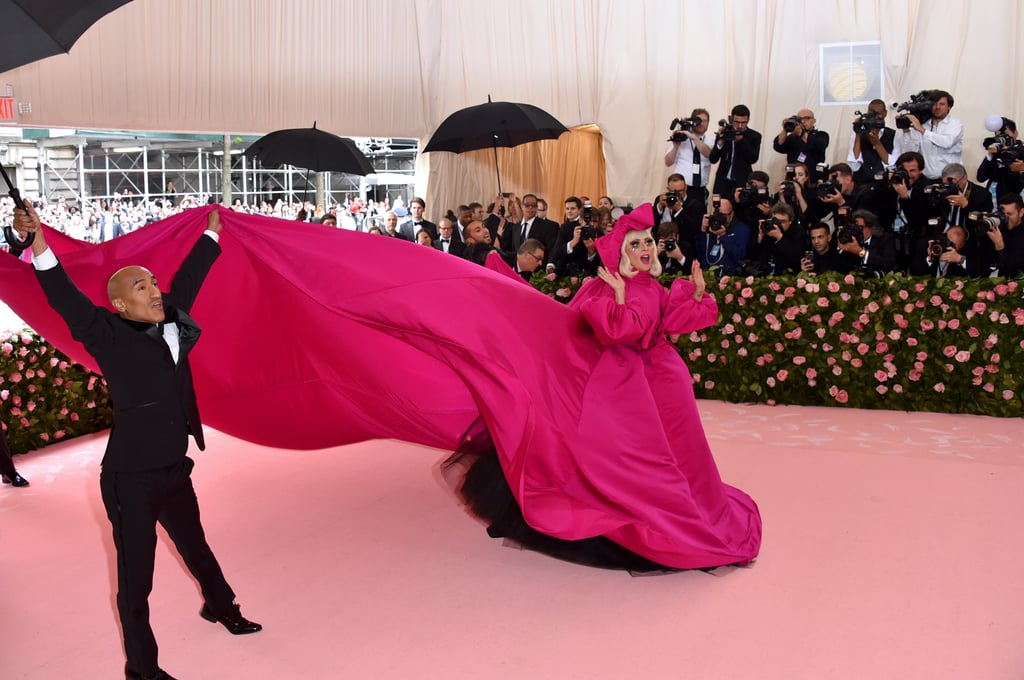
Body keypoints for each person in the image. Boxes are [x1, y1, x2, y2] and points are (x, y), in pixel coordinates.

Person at [12, 204, 260, 680]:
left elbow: (189, 279)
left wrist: (211, 234)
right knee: (136, 581)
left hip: (173, 468)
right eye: (141, 286)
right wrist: (38, 241)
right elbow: (63, 294)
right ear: (121, 305)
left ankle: (221, 607)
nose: (154, 289)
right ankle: (142, 671)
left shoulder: (170, 320)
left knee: (197, 546)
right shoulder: (104, 334)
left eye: (152, 280)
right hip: (130, 480)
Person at [450, 203, 761, 570]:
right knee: (633, 460)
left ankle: (690, 509)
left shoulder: (654, 288)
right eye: (636, 244)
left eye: (648, 242)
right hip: (628, 390)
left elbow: (671, 326)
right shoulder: (605, 288)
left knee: (684, 454)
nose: (646, 249)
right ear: (622, 252)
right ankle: (660, 518)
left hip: (664, 387)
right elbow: (616, 332)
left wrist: (695, 295)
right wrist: (617, 296)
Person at [899, 90, 964, 180]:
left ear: (949, 107)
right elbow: (909, 152)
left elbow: (947, 143)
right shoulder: (922, 125)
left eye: (942, 104)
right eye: (934, 104)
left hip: (950, 179)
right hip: (926, 178)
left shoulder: (955, 124)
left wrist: (922, 130)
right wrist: (906, 131)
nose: (937, 107)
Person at [709, 104, 763, 200]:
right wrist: (720, 143)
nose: (740, 126)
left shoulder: (754, 136)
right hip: (723, 183)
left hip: (742, 182)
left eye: (743, 122)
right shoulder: (725, 132)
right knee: (719, 212)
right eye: (737, 122)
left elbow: (753, 159)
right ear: (731, 119)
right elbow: (713, 159)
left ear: (748, 120)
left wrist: (741, 141)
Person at [848, 99, 903, 185]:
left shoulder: (894, 135)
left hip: (885, 184)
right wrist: (858, 132)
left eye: (878, 114)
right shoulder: (858, 134)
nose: (876, 117)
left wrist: (876, 143)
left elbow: (892, 165)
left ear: (885, 113)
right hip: (862, 183)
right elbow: (854, 164)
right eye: (872, 114)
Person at [664, 108, 714, 201]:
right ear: (692, 121)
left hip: (700, 189)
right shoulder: (681, 138)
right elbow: (668, 162)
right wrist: (675, 146)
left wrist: (694, 138)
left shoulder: (711, 141)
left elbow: (710, 155)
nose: (701, 123)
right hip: (681, 189)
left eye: (705, 121)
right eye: (698, 120)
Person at [772, 108, 830, 181]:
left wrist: (801, 133)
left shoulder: (821, 135)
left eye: (807, 118)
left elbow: (819, 146)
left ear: (814, 121)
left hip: (813, 178)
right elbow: (778, 146)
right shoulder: (792, 137)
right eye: (800, 119)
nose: (803, 121)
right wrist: (785, 129)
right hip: (793, 177)